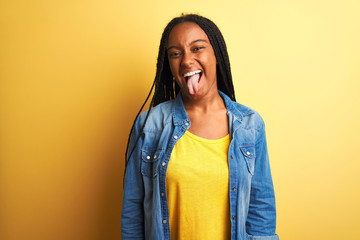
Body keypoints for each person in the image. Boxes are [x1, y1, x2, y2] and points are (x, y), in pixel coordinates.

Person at [121, 14, 279, 240]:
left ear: (216, 55)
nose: (186, 60)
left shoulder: (250, 125)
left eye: (197, 48)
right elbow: (133, 211)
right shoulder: (149, 126)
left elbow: (260, 210)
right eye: (175, 54)